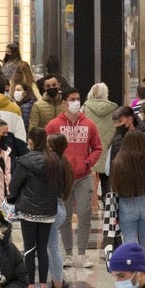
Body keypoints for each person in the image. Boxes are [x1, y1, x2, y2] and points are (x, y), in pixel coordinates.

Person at [9, 126, 71, 288]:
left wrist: (13, 200)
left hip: (28, 210)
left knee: (30, 249)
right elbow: (59, 188)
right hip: (48, 210)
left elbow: (14, 187)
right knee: (44, 248)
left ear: (31, 141)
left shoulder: (23, 161)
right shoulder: (55, 162)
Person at [44, 88, 103, 268]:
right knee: (65, 216)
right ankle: (68, 254)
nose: (76, 102)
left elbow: (98, 147)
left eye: (78, 99)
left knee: (85, 213)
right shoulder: (54, 125)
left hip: (84, 176)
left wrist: (88, 162)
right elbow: (46, 148)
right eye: (72, 99)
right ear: (65, 102)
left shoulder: (89, 125)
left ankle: (83, 253)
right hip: (63, 177)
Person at [108, 127, 145, 248]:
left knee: (130, 242)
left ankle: (133, 265)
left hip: (126, 203)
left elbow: (114, 186)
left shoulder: (118, 163)